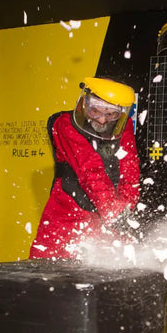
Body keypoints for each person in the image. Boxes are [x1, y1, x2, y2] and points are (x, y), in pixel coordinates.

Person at [29, 77, 140, 259]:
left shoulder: (124, 126)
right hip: (68, 214)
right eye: (95, 111)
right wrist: (114, 213)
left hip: (111, 215)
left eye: (111, 114)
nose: (103, 120)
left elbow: (130, 169)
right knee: (49, 272)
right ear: (85, 103)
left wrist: (126, 209)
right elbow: (90, 170)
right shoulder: (64, 124)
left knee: (114, 273)